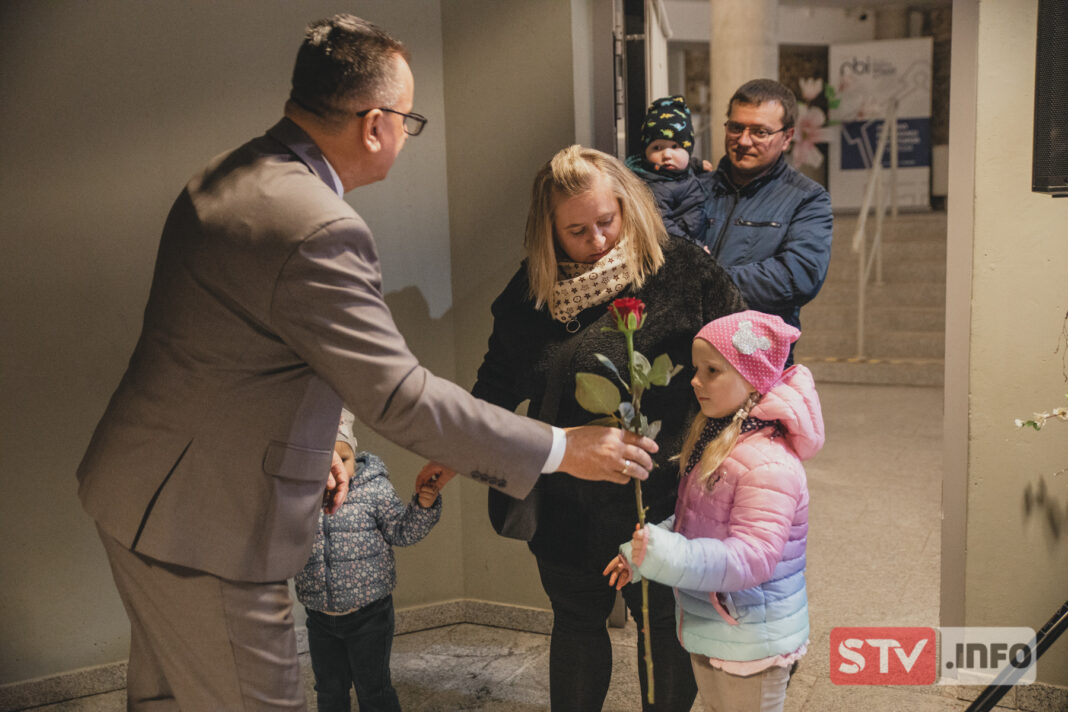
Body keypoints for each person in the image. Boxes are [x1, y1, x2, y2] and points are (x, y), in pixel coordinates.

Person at [76, 15, 659, 710]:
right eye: (410, 123)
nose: (406, 139)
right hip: (212, 526)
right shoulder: (321, 226)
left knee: (169, 698)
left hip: (139, 485)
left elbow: (245, 355)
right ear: (376, 123)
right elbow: (400, 397)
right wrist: (562, 447)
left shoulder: (228, 175)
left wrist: (326, 439)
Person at [471, 145, 746, 711]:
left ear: (627, 206)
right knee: (575, 621)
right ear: (548, 232)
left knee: (663, 632)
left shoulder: (680, 270)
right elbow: (490, 397)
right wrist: (453, 449)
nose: (598, 241)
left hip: (668, 507)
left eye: (606, 221)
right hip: (568, 509)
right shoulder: (530, 296)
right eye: (577, 231)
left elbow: (749, 360)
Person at [604, 310, 824, 712]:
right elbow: (695, 526)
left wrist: (663, 555)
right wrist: (641, 553)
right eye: (695, 368)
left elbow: (753, 558)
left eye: (712, 370)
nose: (695, 380)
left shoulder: (767, 464)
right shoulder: (720, 441)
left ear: (752, 378)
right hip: (717, 625)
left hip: (752, 638)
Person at [295, 410, 447, 712]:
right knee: (329, 690)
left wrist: (423, 505)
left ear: (355, 456)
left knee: (374, 690)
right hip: (320, 616)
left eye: (344, 459)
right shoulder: (300, 495)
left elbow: (401, 532)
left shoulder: (374, 488)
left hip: (369, 615)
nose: (336, 469)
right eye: (325, 461)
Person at [699, 79, 833, 360]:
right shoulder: (696, 190)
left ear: (787, 137)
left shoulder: (807, 199)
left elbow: (798, 277)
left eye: (760, 132)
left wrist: (706, 279)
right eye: (736, 127)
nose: (744, 141)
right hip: (690, 361)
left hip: (758, 367)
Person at [625, 95, 712, 245]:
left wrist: (697, 165)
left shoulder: (679, 169)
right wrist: (694, 248)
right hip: (681, 249)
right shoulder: (654, 186)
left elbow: (685, 162)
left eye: (675, 147)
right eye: (657, 148)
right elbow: (662, 226)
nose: (666, 155)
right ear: (645, 153)